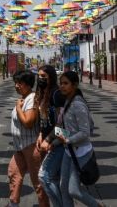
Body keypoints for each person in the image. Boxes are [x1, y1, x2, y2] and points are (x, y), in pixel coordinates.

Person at [56, 71, 103, 207]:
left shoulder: (78, 104)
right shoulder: (67, 102)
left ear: (75, 85)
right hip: (69, 151)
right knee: (63, 188)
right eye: (61, 83)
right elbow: (67, 129)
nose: (62, 86)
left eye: (66, 83)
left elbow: (85, 132)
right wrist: (53, 142)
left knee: (74, 190)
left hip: (81, 152)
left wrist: (68, 140)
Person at [7, 70, 49, 207]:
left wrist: (18, 108)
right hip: (20, 146)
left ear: (28, 84)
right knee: (14, 174)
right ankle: (13, 204)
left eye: (20, 83)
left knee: (38, 184)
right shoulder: (24, 98)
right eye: (15, 83)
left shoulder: (31, 99)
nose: (16, 85)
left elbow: (29, 123)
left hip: (31, 147)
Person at [36, 65, 65, 207]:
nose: (40, 79)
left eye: (43, 77)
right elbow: (44, 119)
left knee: (45, 176)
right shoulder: (43, 93)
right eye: (39, 76)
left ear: (51, 78)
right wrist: (41, 134)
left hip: (60, 140)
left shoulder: (56, 94)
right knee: (55, 178)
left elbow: (62, 124)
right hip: (49, 140)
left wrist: (49, 140)